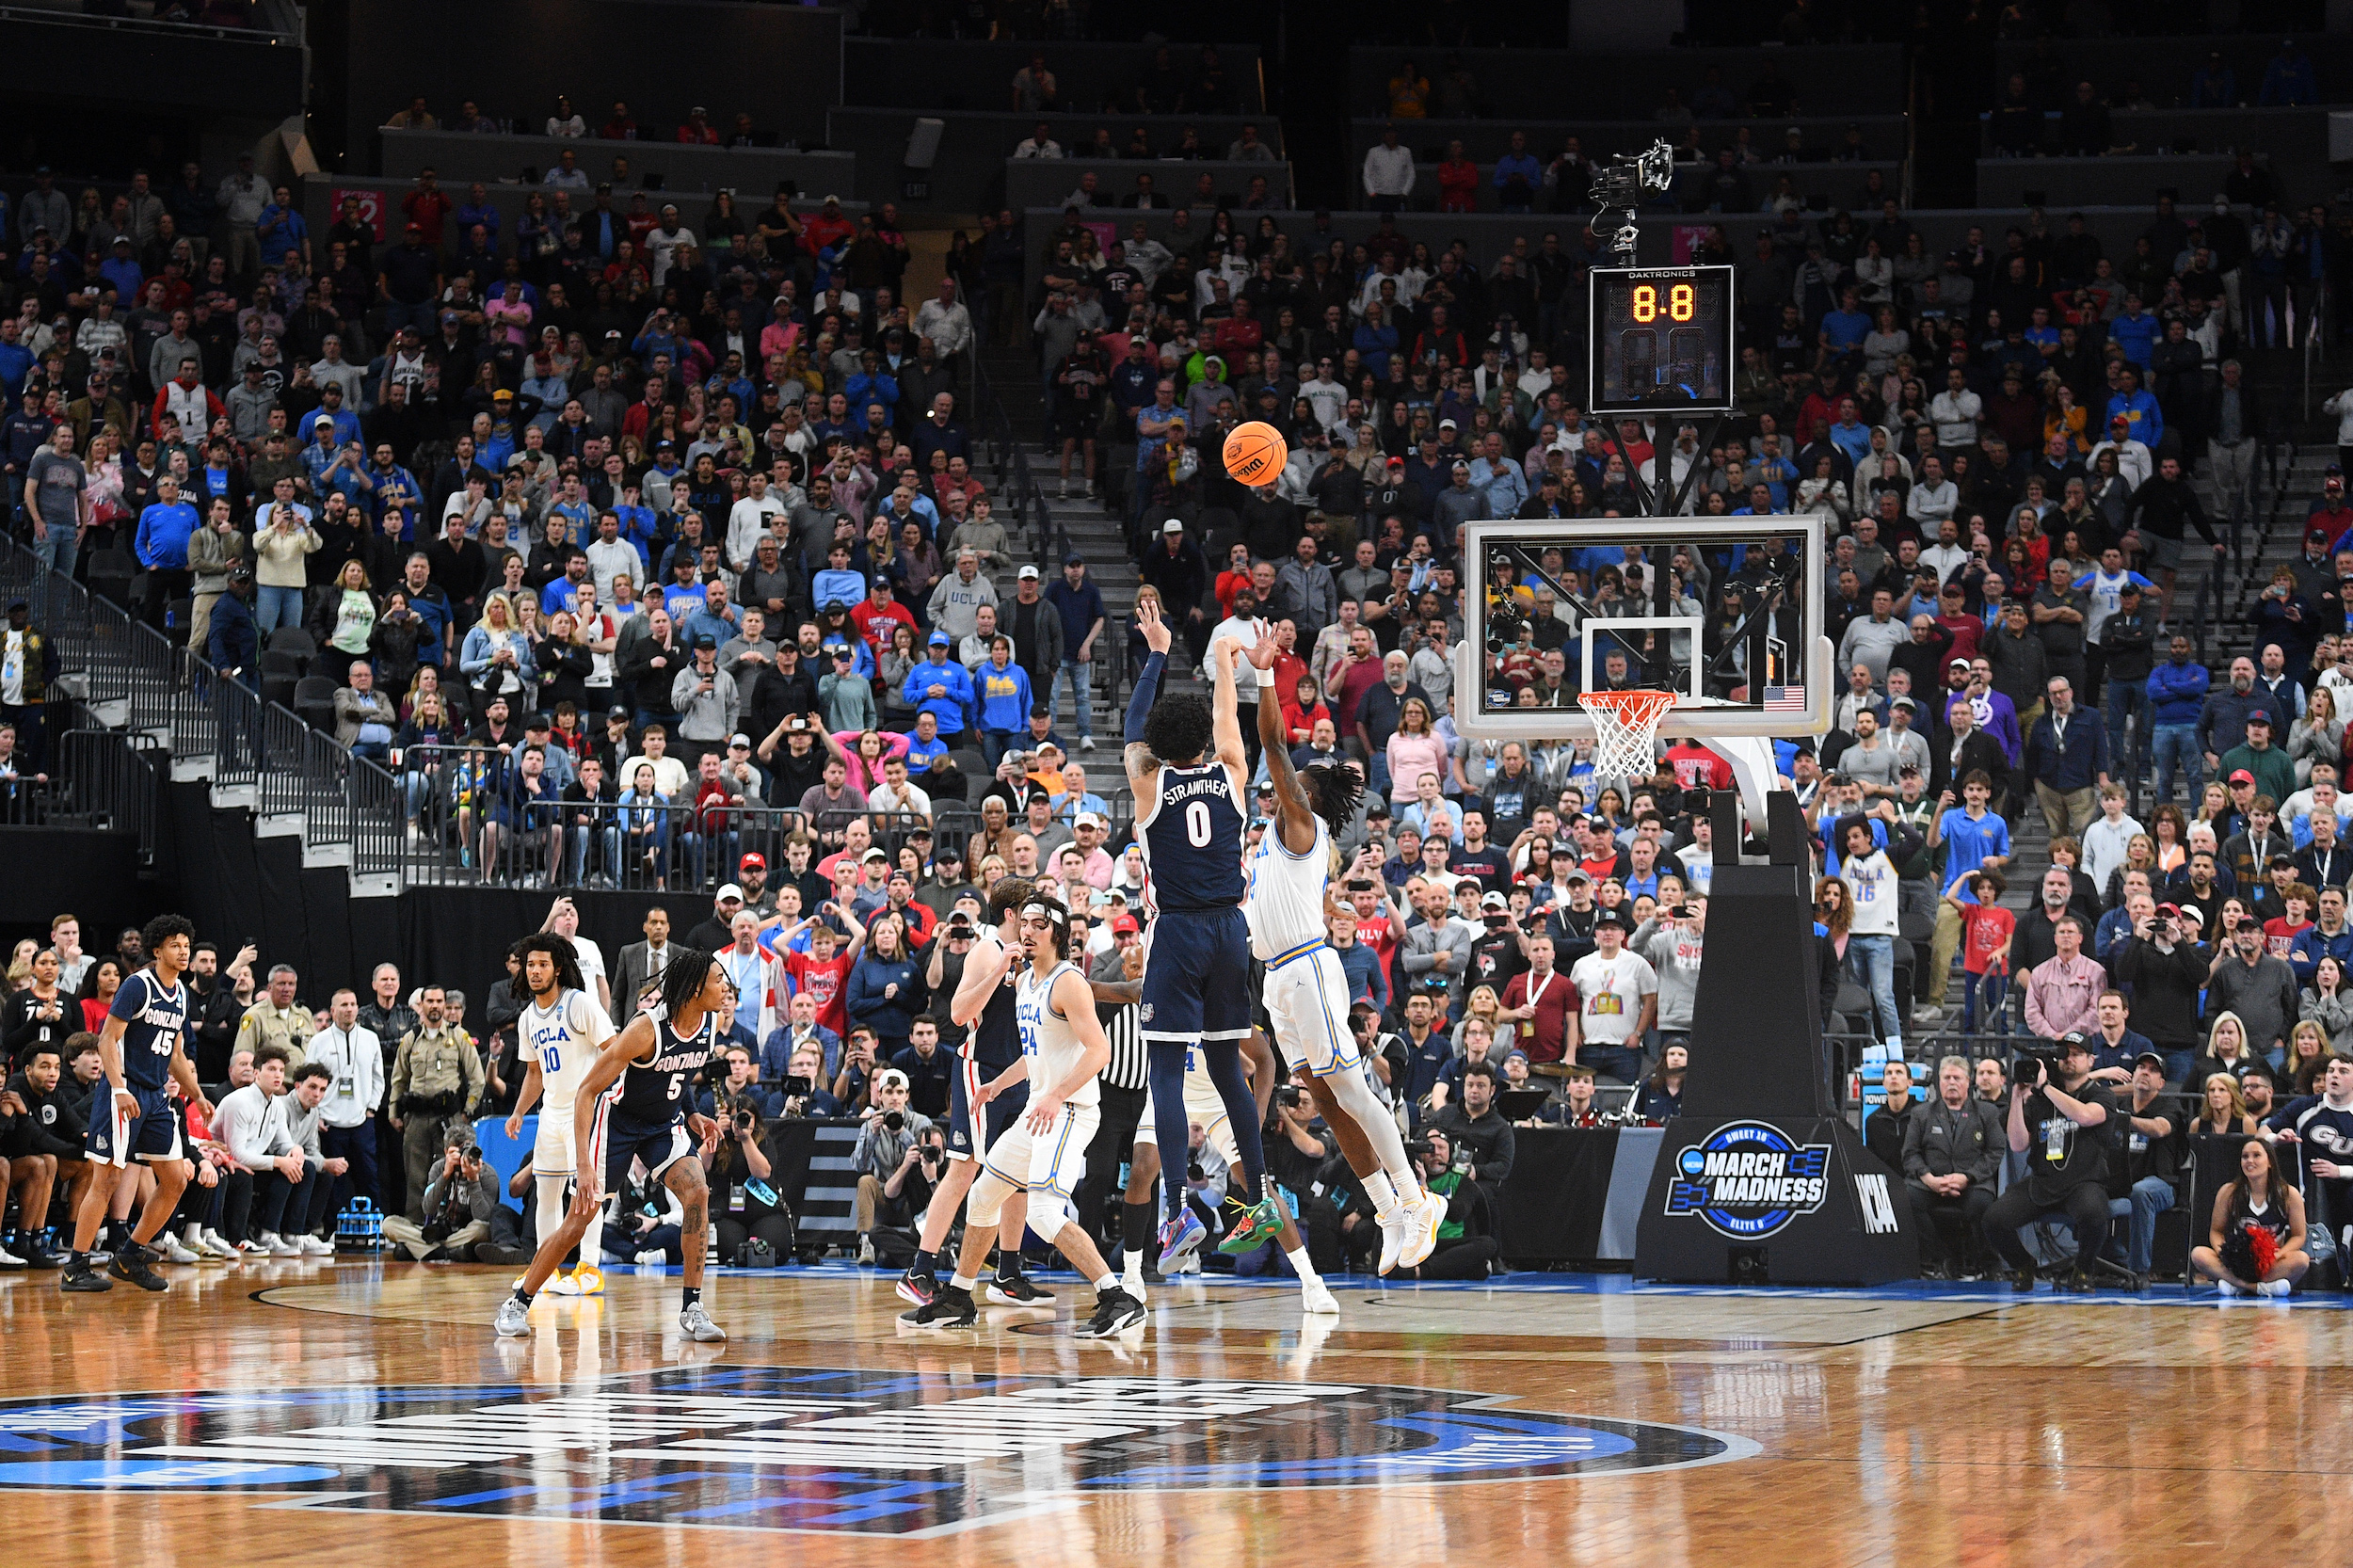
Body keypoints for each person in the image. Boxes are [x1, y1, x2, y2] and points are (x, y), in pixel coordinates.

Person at [1241, 622, 1440, 1272]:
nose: (1284, 781)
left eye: (1296, 779)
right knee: (1325, 1101)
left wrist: (1267, 674)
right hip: (1278, 979)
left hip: (1306, 969)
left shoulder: (1303, 823)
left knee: (1354, 1095)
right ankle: (1388, 1211)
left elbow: (1271, 739)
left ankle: (1417, 1201)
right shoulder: (1278, 837)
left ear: (1310, 795)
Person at [898, 893, 1145, 1337]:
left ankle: (1118, 1297)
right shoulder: (1026, 981)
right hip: (1038, 1108)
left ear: (1057, 932)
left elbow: (1099, 1051)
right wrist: (998, 1085)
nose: (1026, 931)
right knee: (983, 1196)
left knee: (1044, 1213)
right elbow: (1035, 1055)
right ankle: (958, 1296)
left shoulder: (1069, 982)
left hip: (1069, 1110)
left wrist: (1057, 1095)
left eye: (1037, 924)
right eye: (1023, 923)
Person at [1123, 600, 1285, 1270]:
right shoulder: (1232, 775)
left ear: (1160, 749)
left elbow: (1133, 730)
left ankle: (1172, 1215)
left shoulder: (1148, 784)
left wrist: (1158, 653)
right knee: (1227, 1069)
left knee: (1164, 1071)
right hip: (1231, 933)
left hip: (1180, 934)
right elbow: (1227, 722)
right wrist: (1227, 660)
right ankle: (1264, 1191)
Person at [496, 946, 728, 1342]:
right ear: (693, 989)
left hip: (661, 1124)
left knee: (697, 1191)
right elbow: (587, 1092)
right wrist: (584, 1165)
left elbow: (682, 1074)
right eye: (718, 980)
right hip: (616, 1121)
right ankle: (517, 1303)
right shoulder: (644, 1030)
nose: (725, 987)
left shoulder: (711, 1023)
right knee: (579, 1219)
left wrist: (691, 1114)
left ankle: (692, 1308)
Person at [894, 884, 1040, 1309]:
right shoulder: (986, 949)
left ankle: (1008, 1272)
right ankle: (920, 1267)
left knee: (1018, 1173)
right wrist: (998, 971)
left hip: (1018, 1073)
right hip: (981, 1069)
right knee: (963, 1169)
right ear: (1012, 913)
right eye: (1030, 913)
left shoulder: (1031, 954)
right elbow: (958, 1014)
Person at [60, 915, 212, 1293]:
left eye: (186, 945)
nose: (183, 951)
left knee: (176, 1180)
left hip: (156, 1096)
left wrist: (197, 1094)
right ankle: (75, 1267)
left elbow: (176, 1053)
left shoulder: (182, 995)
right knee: (107, 1179)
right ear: (157, 949)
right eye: (175, 945)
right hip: (122, 1092)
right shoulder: (137, 986)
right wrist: (117, 1088)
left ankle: (128, 1256)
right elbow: (107, 1040)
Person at [499, 934, 616, 1299]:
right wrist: (519, 1111)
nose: (534, 971)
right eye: (530, 964)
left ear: (559, 968)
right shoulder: (527, 1018)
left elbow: (614, 1050)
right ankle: (544, 1271)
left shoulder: (579, 1003)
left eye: (542, 964)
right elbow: (535, 1073)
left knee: (586, 1193)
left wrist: (606, 1094)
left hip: (586, 1111)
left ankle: (589, 1269)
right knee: (545, 1195)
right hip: (551, 1113)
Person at [1979, 1035, 2117, 1292]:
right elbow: (2018, 1144)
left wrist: (2046, 1089)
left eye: (2077, 1054)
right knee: (1993, 1219)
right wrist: (2018, 1098)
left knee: (2095, 1215)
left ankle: (2083, 1270)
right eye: (2065, 1054)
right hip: (2043, 1181)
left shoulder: (2101, 1094)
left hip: (2083, 1182)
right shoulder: (2040, 1099)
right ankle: (2023, 1264)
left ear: (2091, 1060)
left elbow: (2086, 1116)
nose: (2069, 1059)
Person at [1902, 1054, 2005, 1277]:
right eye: (1946, 1077)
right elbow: (1910, 1154)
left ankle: (1988, 1264)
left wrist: (1967, 1177)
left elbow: (1995, 1151)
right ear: (1939, 1082)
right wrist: (1929, 1179)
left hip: (1971, 1183)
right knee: (1908, 1198)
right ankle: (1942, 1259)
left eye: (1957, 1078)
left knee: (1982, 1204)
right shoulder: (1921, 1114)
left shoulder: (1986, 1112)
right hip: (1931, 1182)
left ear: (1968, 1082)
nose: (1951, 1082)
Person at [2189, 1135, 2309, 1298]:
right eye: (2245, 1156)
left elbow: (2299, 1235)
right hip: (2238, 1263)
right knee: (2199, 1254)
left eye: (2256, 1155)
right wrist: (2225, 1254)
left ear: (2270, 1162)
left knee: (2301, 1259)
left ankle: (2233, 1286)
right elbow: (2216, 1231)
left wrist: (2278, 1255)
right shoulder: (2229, 1192)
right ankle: (2255, 1287)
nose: (2249, 1161)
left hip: (2270, 1263)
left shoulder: (2288, 1194)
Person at [1568, 909, 1657, 1085]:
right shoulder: (1582, 964)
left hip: (1624, 1048)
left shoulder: (1637, 963)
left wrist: (1638, 1034)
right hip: (1589, 1046)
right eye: (1603, 929)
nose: (1608, 933)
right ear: (1596, 934)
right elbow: (1574, 1002)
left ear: (1623, 934)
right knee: (1584, 1094)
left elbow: (1651, 999)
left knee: (1624, 1096)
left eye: (1614, 929)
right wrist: (1576, 1032)